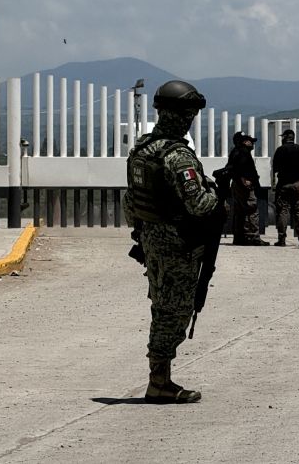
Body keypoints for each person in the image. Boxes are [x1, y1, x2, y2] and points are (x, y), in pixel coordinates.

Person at [124, 80, 221, 403]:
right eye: (189, 113)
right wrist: (217, 197)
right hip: (177, 244)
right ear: (183, 115)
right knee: (175, 311)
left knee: (161, 305)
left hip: (151, 239)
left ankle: (160, 378)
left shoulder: (141, 149)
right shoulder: (177, 156)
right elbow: (199, 205)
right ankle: (159, 382)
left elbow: (130, 201)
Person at [228, 131, 269, 246]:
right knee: (252, 210)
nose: (252, 144)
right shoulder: (243, 152)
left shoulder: (235, 152)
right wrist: (245, 180)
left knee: (239, 212)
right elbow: (239, 168)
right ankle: (253, 237)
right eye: (250, 141)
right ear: (244, 142)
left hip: (237, 185)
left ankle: (239, 237)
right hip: (244, 187)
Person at [271, 128, 299, 247]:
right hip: (297, 183)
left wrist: (273, 185)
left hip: (284, 184)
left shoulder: (280, 150)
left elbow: (274, 169)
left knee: (283, 211)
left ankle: (282, 239)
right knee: (298, 210)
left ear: (285, 138)